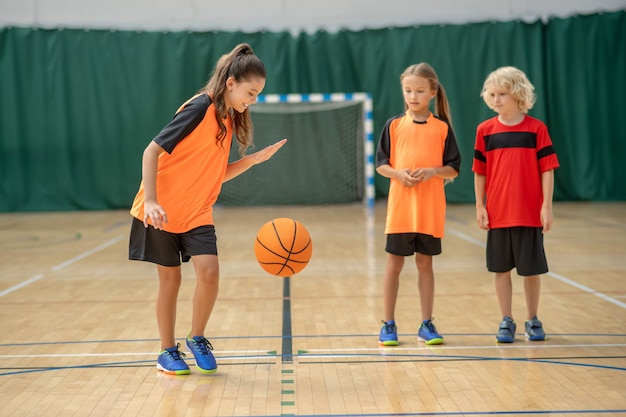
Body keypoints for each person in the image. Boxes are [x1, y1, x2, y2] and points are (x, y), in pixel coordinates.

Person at [128, 43, 287, 375]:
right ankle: (166, 351)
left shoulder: (228, 120)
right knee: (170, 281)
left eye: (257, 95)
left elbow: (218, 173)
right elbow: (150, 152)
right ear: (231, 83)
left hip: (198, 211)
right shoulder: (200, 108)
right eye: (251, 92)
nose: (252, 100)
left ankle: (196, 337)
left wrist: (253, 160)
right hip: (163, 210)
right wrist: (153, 200)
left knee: (210, 274)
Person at [376, 63, 461, 346]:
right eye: (408, 90)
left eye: (420, 91)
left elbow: (453, 169)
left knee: (426, 265)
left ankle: (427, 324)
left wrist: (434, 171)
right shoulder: (394, 126)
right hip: (400, 210)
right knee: (394, 265)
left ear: (433, 92)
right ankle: (388, 324)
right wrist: (399, 174)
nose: (413, 96)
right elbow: (382, 165)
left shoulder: (442, 128)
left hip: (429, 211)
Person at [472, 66, 559, 343]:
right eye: (492, 94)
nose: (496, 99)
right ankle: (506, 320)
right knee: (500, 270)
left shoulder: (536, 129)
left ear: (518, 94)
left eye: (502, 94)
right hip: (498, 213)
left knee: (531, 271)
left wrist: (546, 206)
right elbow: (480, 171)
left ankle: (533, 320)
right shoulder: (484, 130)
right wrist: (480, 206)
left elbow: (547, 169)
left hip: (529, 213)